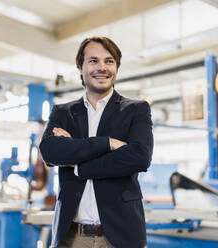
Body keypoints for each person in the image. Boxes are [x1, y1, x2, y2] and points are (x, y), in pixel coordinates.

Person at [40, 36, 154, 248]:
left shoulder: (136, 110)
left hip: (120, 237)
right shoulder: (63, 112)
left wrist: (78, 163)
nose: (102, 67)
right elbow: (49, 152)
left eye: (109, 61)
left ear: (116, 68)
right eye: (93, 61)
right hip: (71, 237)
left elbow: (140, 157)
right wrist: (108, 143)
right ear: (80, 67)